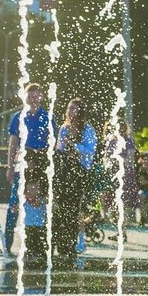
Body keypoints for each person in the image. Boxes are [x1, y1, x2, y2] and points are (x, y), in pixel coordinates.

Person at [5, 83, 54, 250]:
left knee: (40, 201)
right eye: (30, 96)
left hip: (40, 164)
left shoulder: (47, 116)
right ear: (24, 97)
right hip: (23, 163)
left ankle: (39, 244)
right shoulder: (18, 117)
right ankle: (7, 243)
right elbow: (13, 143)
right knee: (14, 202)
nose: (33, 99)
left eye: (35, 95)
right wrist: (10, 166)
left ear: (41, 97)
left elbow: (52, 143)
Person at [56, 98, 97, 258]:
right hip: (64, 171)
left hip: (79, 172)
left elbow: (90, 150)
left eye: (73, 108)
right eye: (69, 108)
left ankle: (71, 244)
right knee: (62, 207)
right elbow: (59, 148)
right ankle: (61, 244)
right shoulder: (64, 128)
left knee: (73, 209)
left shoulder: (87, 129)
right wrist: (64, 147)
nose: (69, 111)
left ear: (80, 111)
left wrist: (74, 146)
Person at [22, 175, 48, 267]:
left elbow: (48, 203)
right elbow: (17, 208)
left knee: (40, 242)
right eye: (29, 190)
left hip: (40, 226)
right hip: (28, 226)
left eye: (34, 189)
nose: (31, 191)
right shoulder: (25, 201)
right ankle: (29, 255)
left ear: (39, 190)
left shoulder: (42, 200)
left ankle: (41, 256)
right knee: (29, 242)